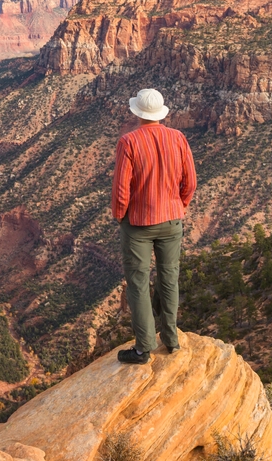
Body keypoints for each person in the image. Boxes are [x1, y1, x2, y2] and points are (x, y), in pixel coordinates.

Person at [111, 88, 197, 364]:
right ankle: (171, 340)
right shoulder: (178, 138)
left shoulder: (129, 142)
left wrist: (120, 215)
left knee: (138, 283)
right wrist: (180, 206)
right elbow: (190, 182)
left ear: (137, 112)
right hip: (172, 221)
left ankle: (143, 348)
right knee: (169, 279)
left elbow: (121, 189)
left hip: (138, 224)